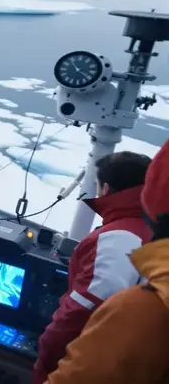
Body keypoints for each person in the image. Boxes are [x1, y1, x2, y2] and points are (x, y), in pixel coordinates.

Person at [46, 139, 169, 384]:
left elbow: (78, 315)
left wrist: (45, 361)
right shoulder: (144, 236)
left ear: (106, 189)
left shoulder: (115, 239)